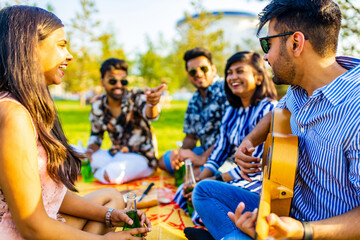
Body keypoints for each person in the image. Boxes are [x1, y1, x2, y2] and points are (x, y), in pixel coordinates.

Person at [211, 0, 360, 239]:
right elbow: (276, 114)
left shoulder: (356, 110)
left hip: (321, 231)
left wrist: (303, 231)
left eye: (267, 44)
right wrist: (249, 141)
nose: (266, 56)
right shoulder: (298, 88)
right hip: (286, 208)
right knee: (205, 191)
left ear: (295, 43)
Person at [0, 5, 151, 239]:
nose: (69, 55)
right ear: (29, 48)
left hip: (46, 215)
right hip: (21, 231)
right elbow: (31, 225)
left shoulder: (29, 106)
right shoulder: (13, 114)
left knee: (112, 198)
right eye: (61, 45)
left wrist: (109, 215)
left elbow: (51, 195)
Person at [184, 51, 277, 239]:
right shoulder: (231, 111)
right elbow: (219, 151)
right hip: (236, 176)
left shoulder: (269, 109)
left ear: (259, 77)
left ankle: (222, 233)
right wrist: (202, 177)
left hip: (259, 183)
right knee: (191, 191)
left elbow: (254, 166)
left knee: (204, 192)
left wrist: (215, 180)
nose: (233, 77)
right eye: (230, 73)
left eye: (240, 71)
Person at [83, 58, 167, 184]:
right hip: (114, 155)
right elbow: (96, 137)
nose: (118, 85)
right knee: (70, 153)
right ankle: (97, 168)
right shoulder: (98, 104)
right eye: (112, 80)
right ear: (102, 82)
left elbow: (150, 114)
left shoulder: (136, 97)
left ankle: (96, 171)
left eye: (123, 81)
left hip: (140, 159)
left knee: (113, 173)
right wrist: (88, 153)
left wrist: (152, 104)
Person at [158, 47, 228, 177]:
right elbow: (190, 137)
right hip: (203, 151)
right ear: (188, 75)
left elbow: (228, 138)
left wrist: (202, 159)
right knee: (164, 161)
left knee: (192, 175)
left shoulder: (226, 90)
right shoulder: (194, 99)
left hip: (225, 155)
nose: (199, 74)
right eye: (192, 71)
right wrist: (180, 154)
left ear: (213, 69)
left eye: (204, 69)